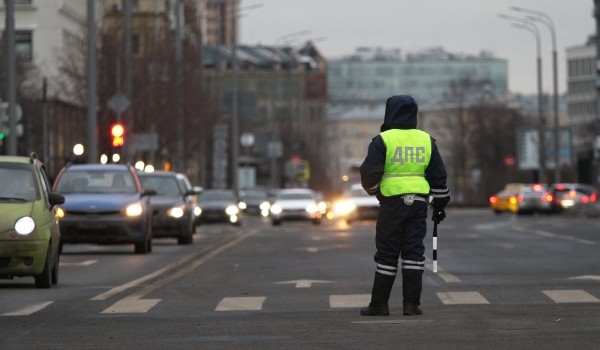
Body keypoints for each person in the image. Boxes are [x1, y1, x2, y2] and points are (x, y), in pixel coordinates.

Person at [359, 95, 450, 316]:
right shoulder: (426, 140)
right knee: (414, 254)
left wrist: (377, 193)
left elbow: (369, 174)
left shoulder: (383, 140)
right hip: (418, 204)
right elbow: (438, 176)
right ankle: (411, 305)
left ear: (389, 113)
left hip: (391, 205)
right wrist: (439, 205)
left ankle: (379, 305)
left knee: (387, 254)